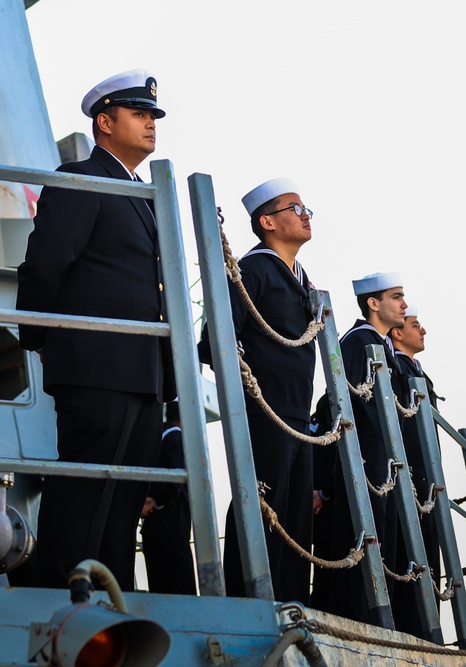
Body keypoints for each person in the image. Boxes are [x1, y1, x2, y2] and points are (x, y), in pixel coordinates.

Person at [15, 69, 175, 590]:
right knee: (84, 489)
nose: (151, 124)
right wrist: (41, 337)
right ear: (105, 122)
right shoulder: (80, 178)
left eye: (153, 115)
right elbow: (46, 263)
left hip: (141, 374)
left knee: (123, 500)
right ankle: (59, 592)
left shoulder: (142, 194)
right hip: (95, 367)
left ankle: (112, 598)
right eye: (139, 114)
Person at [198, 178, 317, 604]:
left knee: (296, 517)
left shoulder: (302, 279)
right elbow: (215, 339)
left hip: (299, 416)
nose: (305, 215)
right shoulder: (255, 269)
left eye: (306, 208)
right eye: (294, 208)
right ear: (267, 221)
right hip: (266, 408)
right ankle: (250, 598)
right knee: (263, 503)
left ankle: (290, 602)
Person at [311, 271, 407, 624]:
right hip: (364, 465)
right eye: (396, 296)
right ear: (373, 303)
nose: (404, 303)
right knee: (362, 546)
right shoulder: (358, 342)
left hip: (383, 466)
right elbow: (338, 405)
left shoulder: (381, 345)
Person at [387, 305, 442, 638]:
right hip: (410, 476)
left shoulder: (414, 370)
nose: (423, 331)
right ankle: (417, 630)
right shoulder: (400, 371)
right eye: (416, 325)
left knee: (429, 556)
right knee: (412, 554)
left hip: (425, 478)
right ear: (397, 332)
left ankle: (428, 628)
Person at [140, 401, 196, 595]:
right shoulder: (176, 439)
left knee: (159, 585)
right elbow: (174, 480)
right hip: (172, 525)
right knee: (181, 585)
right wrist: (156, 501)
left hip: (153, 527)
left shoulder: (157, 439)